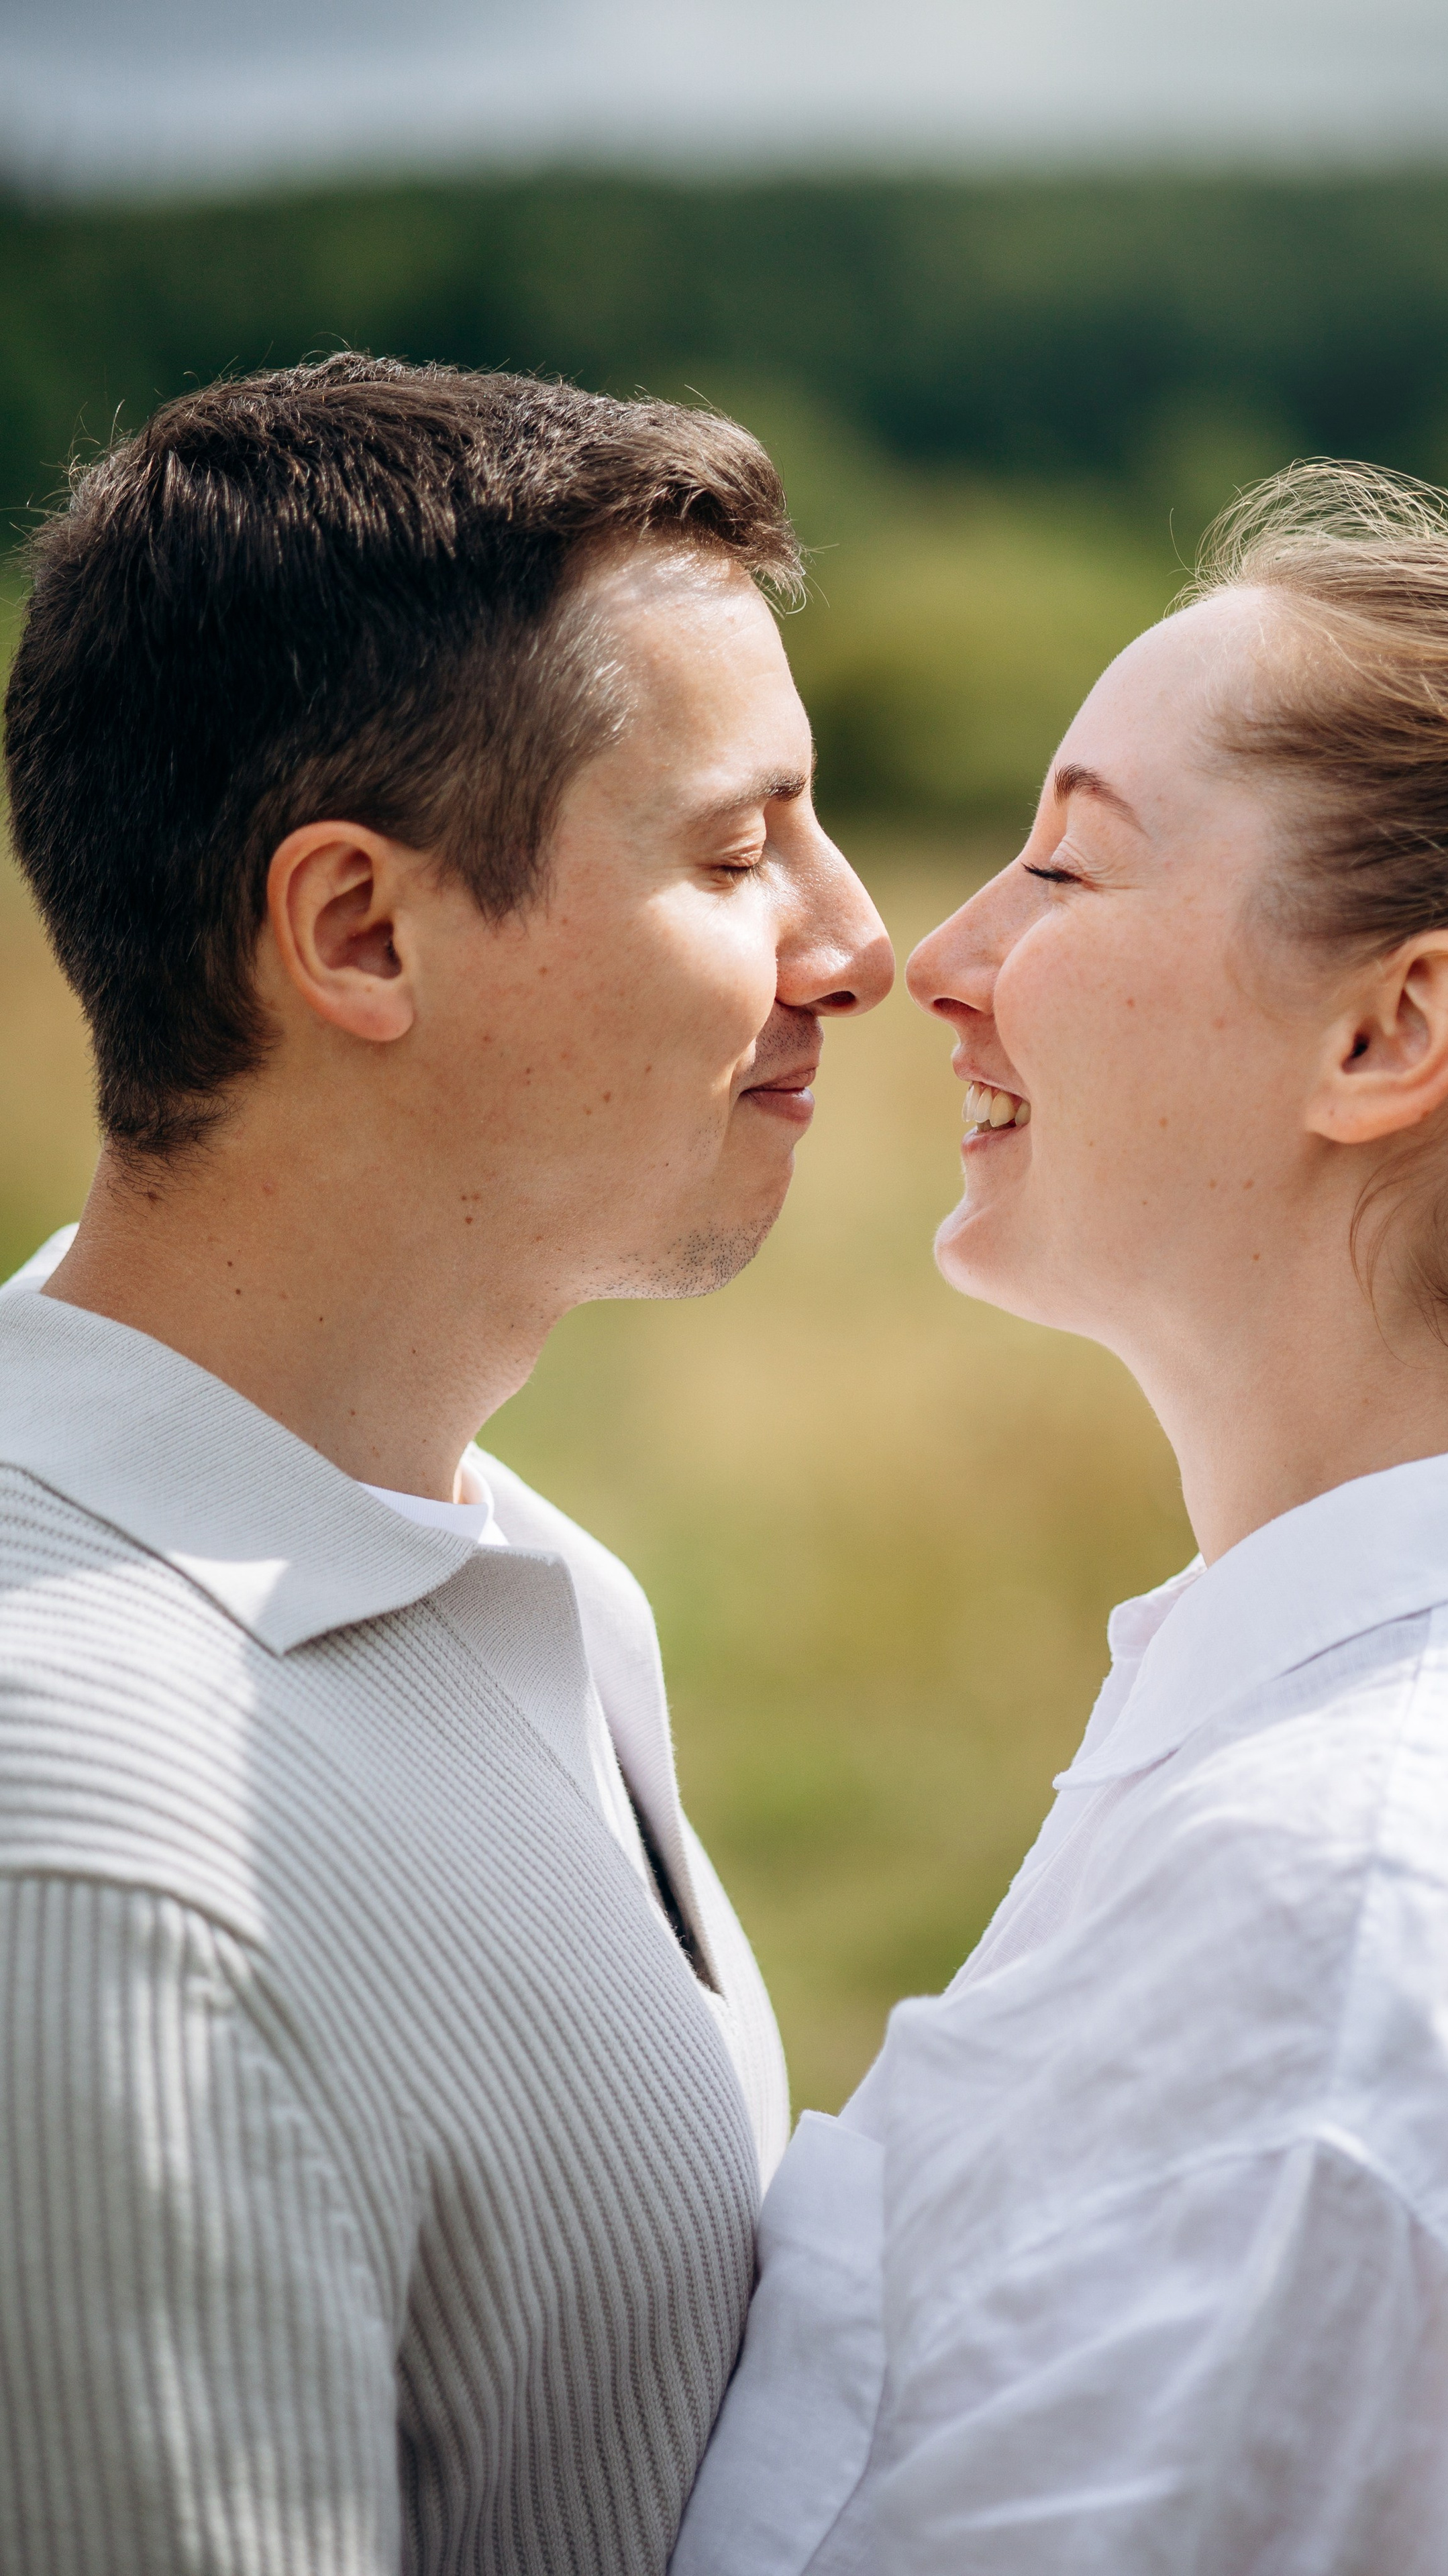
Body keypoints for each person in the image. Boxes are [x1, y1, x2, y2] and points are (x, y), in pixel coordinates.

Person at [672, 464, 1448, 2576]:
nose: (937, 955)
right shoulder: (1361, 1777)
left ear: (1389, 1032)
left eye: (1069, 863)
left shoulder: (1366, 1920)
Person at [0, 354, 892, 2575]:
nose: (856, 942)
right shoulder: (98, 1879)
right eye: (735, 849)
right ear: (358, 932)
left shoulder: (499, 1565)